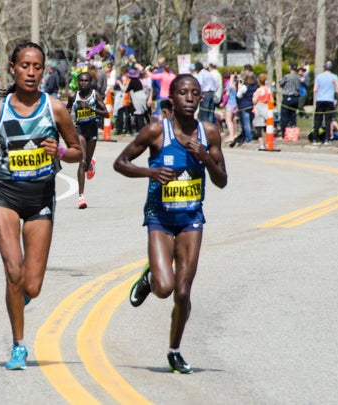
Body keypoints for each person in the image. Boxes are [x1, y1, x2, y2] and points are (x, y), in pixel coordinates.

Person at [0, 42, 81, 371]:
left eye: (37, 67)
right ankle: (19, 345)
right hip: (5, 195)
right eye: (25, 66)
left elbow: (78, 150)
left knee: (31, 286)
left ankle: (16, 299)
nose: (31, 73)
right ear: (13, 68)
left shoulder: (56, 108)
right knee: (14, 271)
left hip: (40, 198)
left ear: (44, 70)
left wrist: (60, 152)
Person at [113, 74, 227, 374]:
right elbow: (120, 163)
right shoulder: (155, 132)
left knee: (184, 292)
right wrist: (150, 173)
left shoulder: (210, 133)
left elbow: (222, 181)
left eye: (194, 93)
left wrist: (205, 158)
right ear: (172, 99)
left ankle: (174, 351)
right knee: (165, 288)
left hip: (191, 219)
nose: (189, 98)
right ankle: (151, 278)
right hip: (160, 218)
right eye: (182, 93)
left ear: (201, 99)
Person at [66, 71, 108, 209]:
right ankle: (81, 197)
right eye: (81, 81)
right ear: (77, 82)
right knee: (82, 162)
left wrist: (90, 108)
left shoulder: (95, 95)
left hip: (92, 130)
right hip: (79, 130)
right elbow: (66, 110)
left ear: (90, 83)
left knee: (87, 162)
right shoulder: (73, 96)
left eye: (86, 81)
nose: (83, 83)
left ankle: (91, 164)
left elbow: (106, 114)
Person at [311, 61, 338, 145]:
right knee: (328, 120)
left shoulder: (319, 77)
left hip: (320, 100)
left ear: (324, 68)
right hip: (330, 100)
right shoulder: (335, 77)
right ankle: (327, 139)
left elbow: (315, 89)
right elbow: (337, 89)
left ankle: (315, 139)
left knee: (318, 120)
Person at [279, 62, 301, 140]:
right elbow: (298, 87)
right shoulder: (298, 77)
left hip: (287, 97)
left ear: (290, 68)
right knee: (293, 116)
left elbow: (281, 83)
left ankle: (283, 134)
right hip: (295, 98)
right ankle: (293, 134)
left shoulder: (287, 76)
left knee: (284, 117)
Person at [252, 73, 272, 149]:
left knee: (258, 127)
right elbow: (271, 99)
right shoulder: (268, 89)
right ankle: (268, 142)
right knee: (267, 127)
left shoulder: (259, 90)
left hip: (259, 108)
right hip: (267, 108)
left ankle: (261, 144)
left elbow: (254, 101)